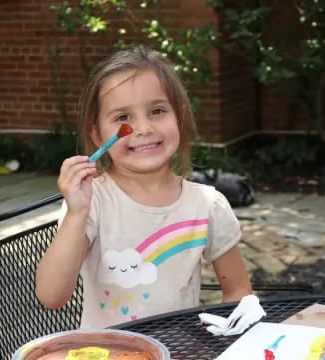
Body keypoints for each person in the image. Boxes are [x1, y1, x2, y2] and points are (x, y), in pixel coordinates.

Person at [36, 45, 252, 328]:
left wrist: (222, 338)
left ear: (180, 117)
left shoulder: (208, 204)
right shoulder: (92, 202)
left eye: (157, 110)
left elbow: (238, 289)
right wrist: (76, 214)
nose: (142, 128)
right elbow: (52, 296)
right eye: (123, 117)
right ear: (98, 135)